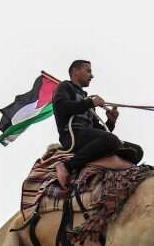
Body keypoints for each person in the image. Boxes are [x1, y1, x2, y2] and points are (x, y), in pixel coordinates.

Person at [51, 59, 143, 189]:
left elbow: (99, 130)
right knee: (111, 140)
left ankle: (109, 162)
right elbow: (62, 108)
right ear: (75, 71)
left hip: (87, 136)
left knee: (137, 150)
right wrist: (90, 103)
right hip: (72, 136)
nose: (92, 76)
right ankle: (67, 166)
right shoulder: (65, 87)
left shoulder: (86, 98)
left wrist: (110, 122)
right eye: (88, 71)